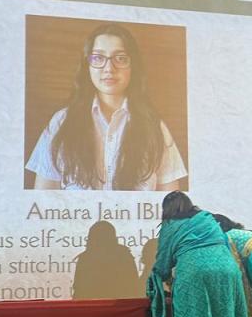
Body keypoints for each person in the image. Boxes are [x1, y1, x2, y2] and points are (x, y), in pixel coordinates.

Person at [26, 22, 187, 191]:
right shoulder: (61, 122)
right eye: (98, 58)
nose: (109, 68)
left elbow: (172, 201)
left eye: (120, 58)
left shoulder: (154, 126)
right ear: (87, 65)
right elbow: (42, 198)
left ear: (133, 66)